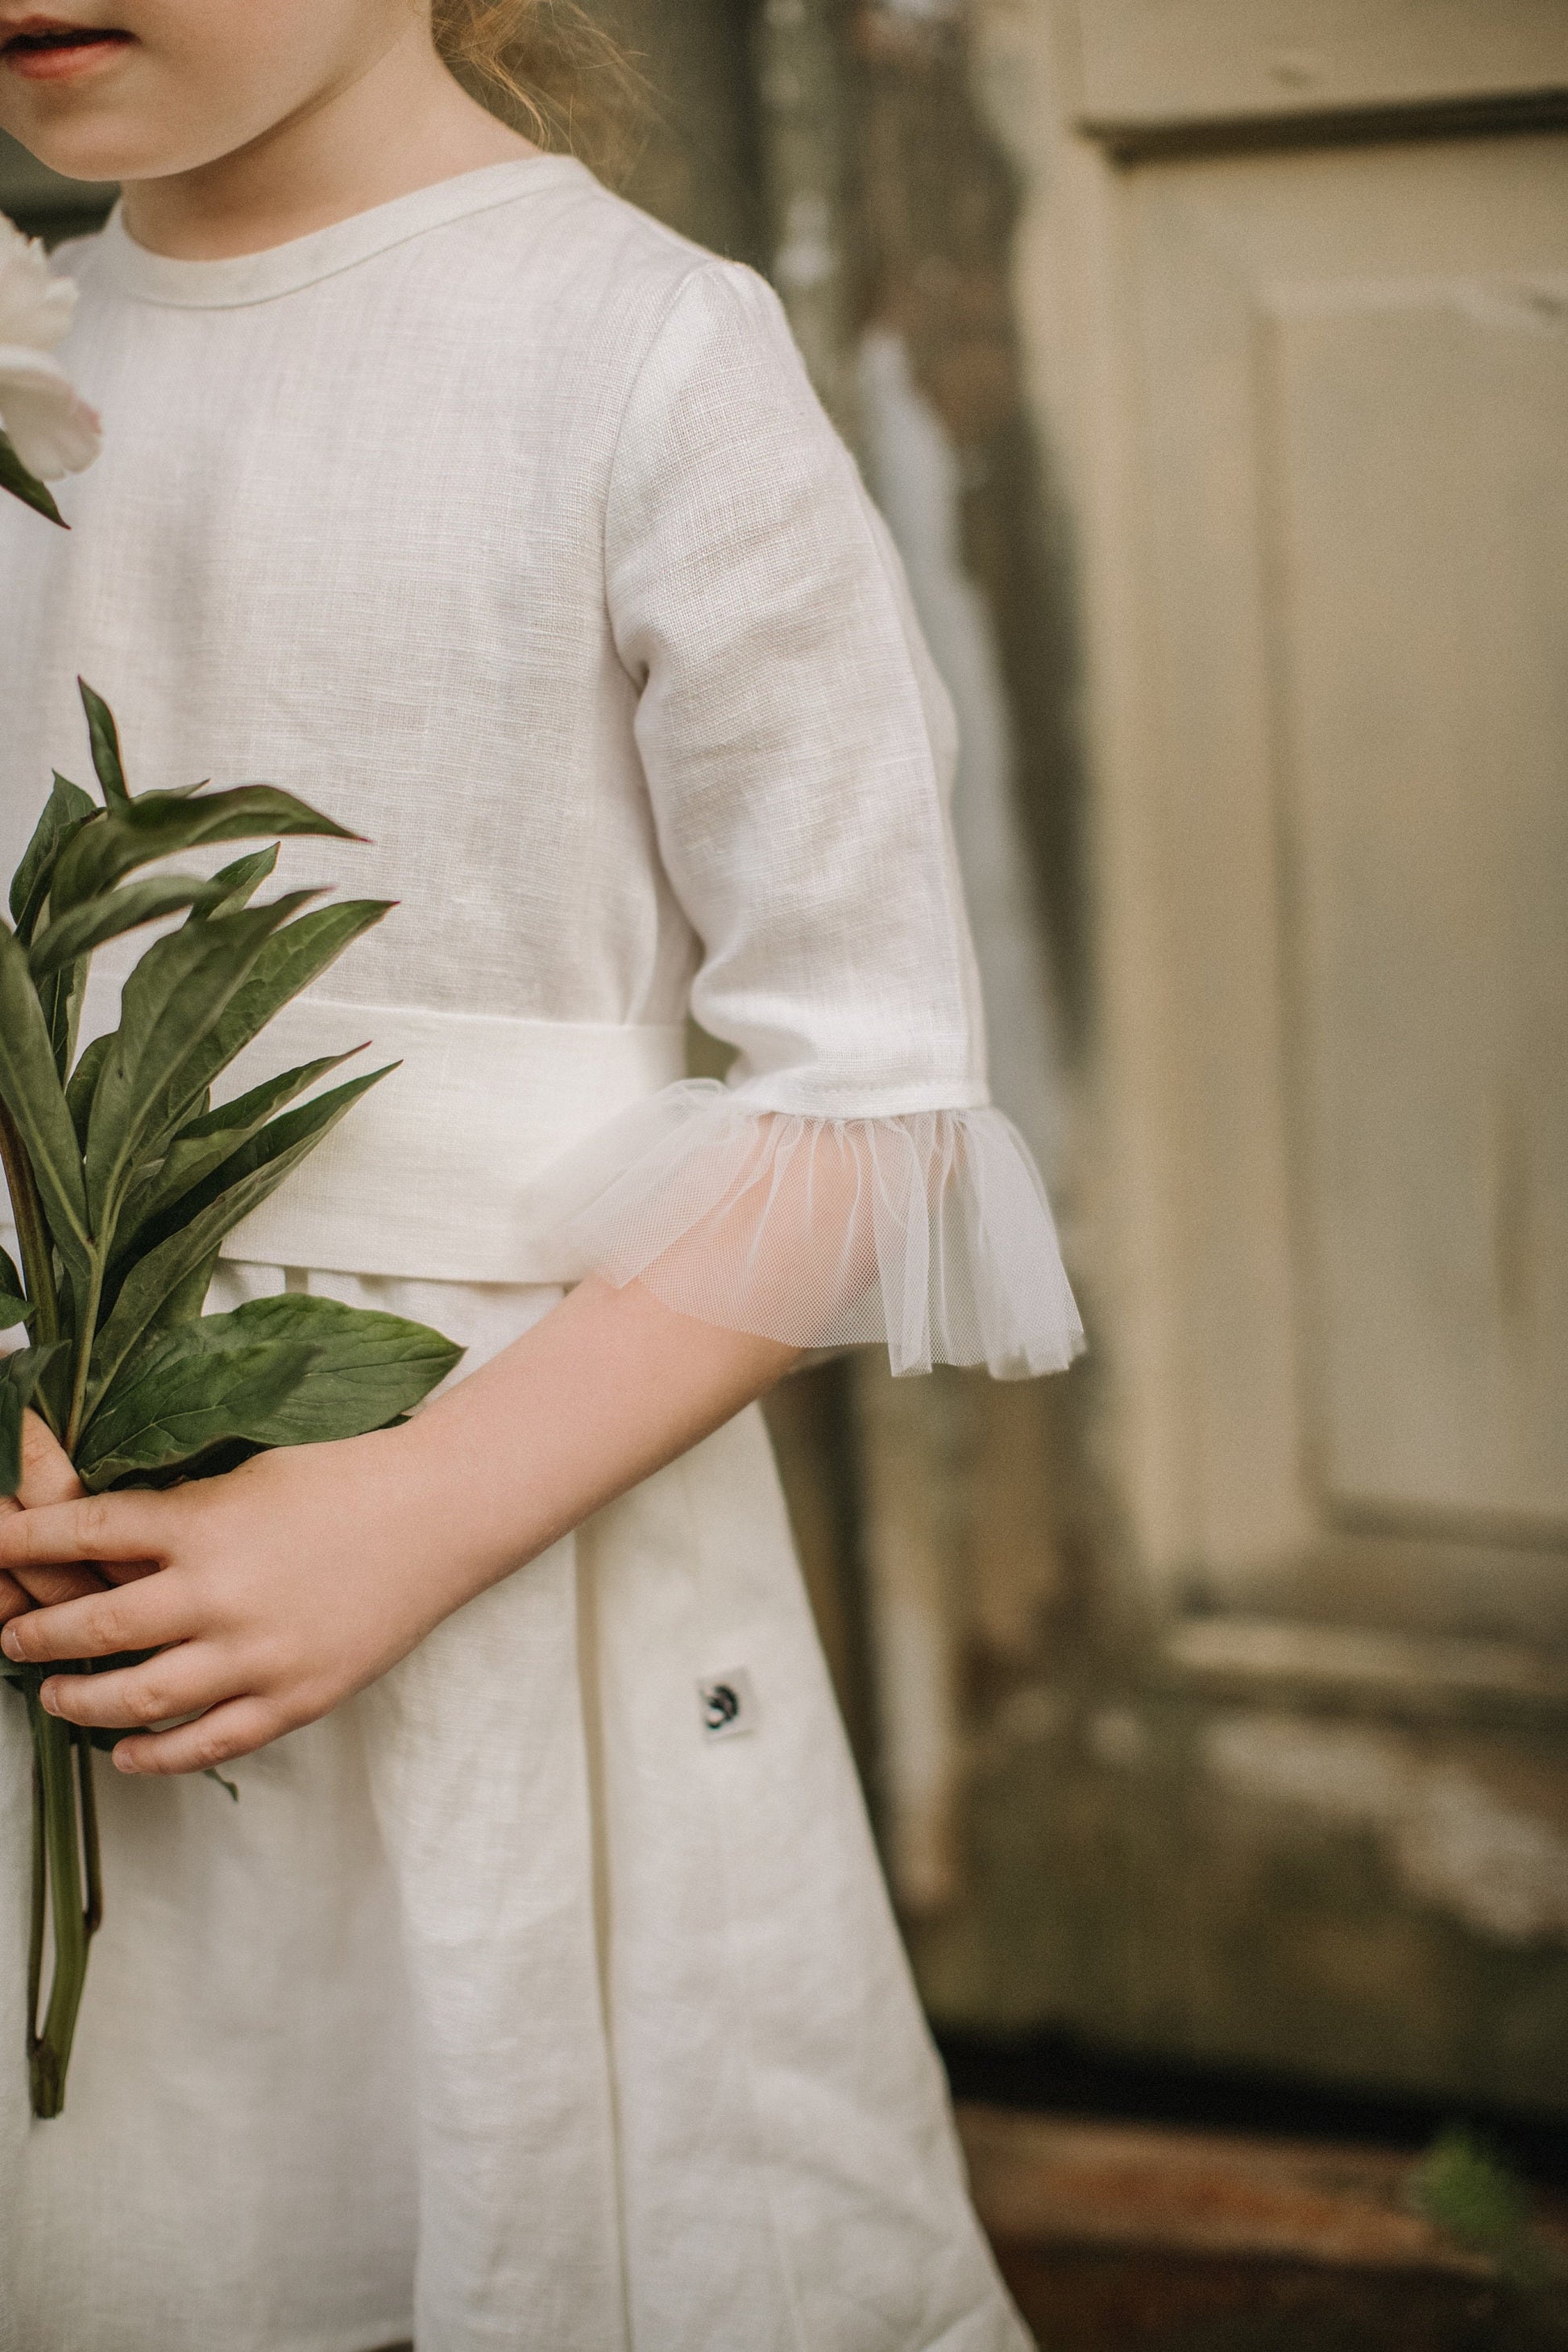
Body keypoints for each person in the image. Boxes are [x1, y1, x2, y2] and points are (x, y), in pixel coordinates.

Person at [0, 5, 1081, 2346]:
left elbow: (868, 1104)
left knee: (482, 2176)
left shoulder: (637, 352)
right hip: (47, 1516)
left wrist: (401, 1521)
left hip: (495, 1532)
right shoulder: (21, 344)